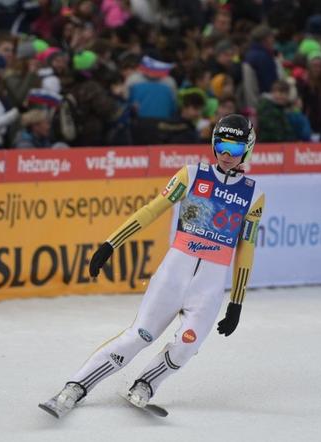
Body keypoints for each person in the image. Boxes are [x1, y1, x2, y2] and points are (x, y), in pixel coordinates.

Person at [39, 114, 266, 418]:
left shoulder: (253, 195)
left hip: (208, 288)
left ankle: (146, 384)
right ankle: (75, 387)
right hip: (173, 276)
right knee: (140, 336)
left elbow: (246, 250)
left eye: (235, 149)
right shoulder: (191, 175)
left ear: (247, 150)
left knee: (187, 344)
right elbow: (150, 211)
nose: (226, 154)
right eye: (221, 145)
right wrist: (110, 244)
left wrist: (236, 303)